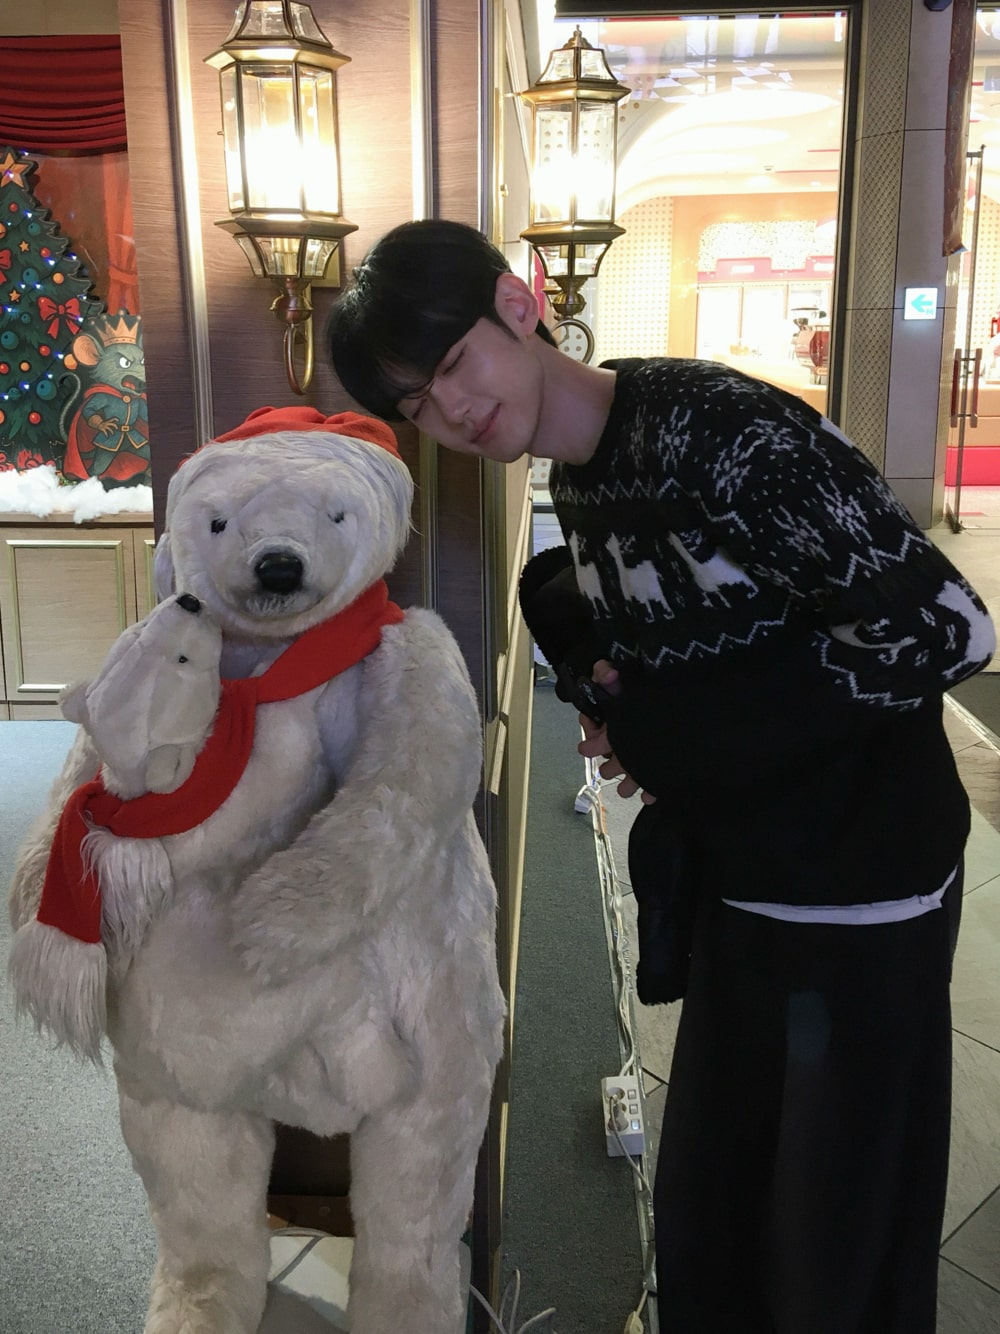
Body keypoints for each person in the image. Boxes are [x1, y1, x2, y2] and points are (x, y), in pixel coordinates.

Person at [326, 218, 996, 1333]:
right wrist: (624, 696)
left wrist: (683, 734)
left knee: (836, 1248)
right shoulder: (583, 477)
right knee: (720, 1222)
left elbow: (946, 628)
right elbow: (695, 651)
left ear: (518, 304)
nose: (451, 409)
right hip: (746, 886)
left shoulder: (720, 429)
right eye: (416, 402)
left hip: (861, 892)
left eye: (452, 363)